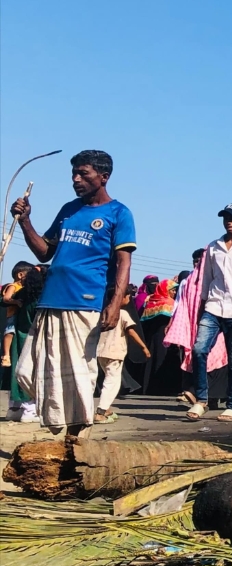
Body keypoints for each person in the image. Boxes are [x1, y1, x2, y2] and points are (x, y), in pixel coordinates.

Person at [11, 150, 136, 437]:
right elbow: (45, 250)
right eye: (73, 174)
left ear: (103, 177)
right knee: (27, 372)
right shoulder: (69, 209)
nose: (76, 180)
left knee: (78, 377)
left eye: (83, 174)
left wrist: (115, 304)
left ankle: (75, 441)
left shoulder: (118, 213)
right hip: (51, 300)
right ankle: (59, 425)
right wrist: (25, 221)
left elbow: (124, 263)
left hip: (85, 303)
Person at [180, 203, 232, 421]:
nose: (229, 221)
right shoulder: (213, 246)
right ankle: (201, 400)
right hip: (214, 307)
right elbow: (206, 279)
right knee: (199, 350)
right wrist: (201, 307)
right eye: (225, 217)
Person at [94, 285, 151, 424]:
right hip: (115, 352)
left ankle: (106, 409)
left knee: (107, 379)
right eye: (127, 296)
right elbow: (131, 331)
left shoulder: (103, 312)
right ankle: (100, 412)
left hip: (101, 351)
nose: (129, 299)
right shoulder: (122, 313)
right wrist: (144, 347)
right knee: (112, 382)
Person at [7, 266, 44, 422]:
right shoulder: (41, 298)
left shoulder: (21, 294)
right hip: (34, 338)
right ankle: (30, 409)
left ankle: (14, 409)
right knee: (32, 373)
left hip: (19, 336)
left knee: (17, 372)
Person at [140, 278, 181, 396]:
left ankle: (148, 387)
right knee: (163, 360)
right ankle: (163, 388)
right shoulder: (169, 303)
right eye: (172, 290)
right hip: (165, 336)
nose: (174, 293)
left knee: (152, 360)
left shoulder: (150, 301)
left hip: (152, 337)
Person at [2, 261, 33, 368]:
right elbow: (6, 298)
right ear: (20, 275)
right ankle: (6, 355)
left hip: (18, 314)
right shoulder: (13, 286)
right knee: (9, 332)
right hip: (12, 313)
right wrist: (16, 302)